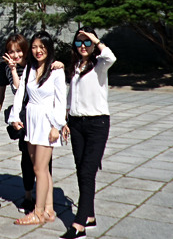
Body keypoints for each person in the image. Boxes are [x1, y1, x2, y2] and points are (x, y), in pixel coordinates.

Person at [60, 28, 116, 239]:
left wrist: (95, 39)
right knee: (81, 169)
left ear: (93, 44)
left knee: (87, 171)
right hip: (76, 124)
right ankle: (90, 215)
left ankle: (79, 224)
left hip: (97, 124)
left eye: (87, 43)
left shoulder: (100, 65)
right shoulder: (75, 66)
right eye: (78, 43)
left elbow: (111, 56)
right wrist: (65, 119)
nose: (82, 47)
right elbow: (71, 95)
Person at [8, 31, 66, 225]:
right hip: (31, 120)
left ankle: (38, 212)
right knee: (41, 169)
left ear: (48, 48)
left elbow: (61, 101)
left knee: (39, 169)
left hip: (46, 121)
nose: (38, 51)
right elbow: (20, 94)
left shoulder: (56, 70)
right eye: (34, 47)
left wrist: (56, 126)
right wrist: (14, 117)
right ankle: (49, 209)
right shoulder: (30, 68)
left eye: (42, 47)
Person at [2, 33, 36, 213]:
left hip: (39, 115)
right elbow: (17, 89)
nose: (15, 55)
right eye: (11, 51)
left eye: (18, 51)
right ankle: (28, 194)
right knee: (26, 158)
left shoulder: (35, 64)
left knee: (43, 158)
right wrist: (14, 70)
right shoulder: (10, 68)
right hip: (24, 117)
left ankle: (45, 196)